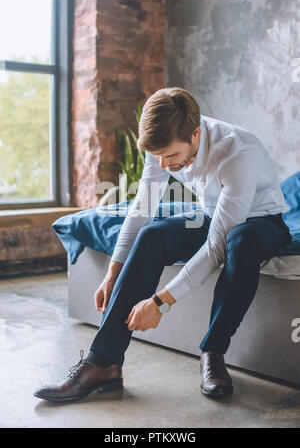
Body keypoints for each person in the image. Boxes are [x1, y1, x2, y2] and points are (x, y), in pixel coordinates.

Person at [34, 87, 292, 403]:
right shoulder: (161, 144)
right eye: (157, 156)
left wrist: (160, 302)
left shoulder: (237, 154)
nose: (163, 164)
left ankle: (213, 351)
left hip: (262, 221)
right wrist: (113, 271)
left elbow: (216, 247)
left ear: (196, 134)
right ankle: (103, 364)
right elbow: (142, 210)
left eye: (171, 156)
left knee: (240, 242)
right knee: (152, 235)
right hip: (212, 213)